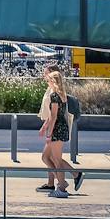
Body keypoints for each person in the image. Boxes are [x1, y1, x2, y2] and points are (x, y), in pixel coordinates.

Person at [38, 65, 82, 199]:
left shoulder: (55, 95)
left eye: (49, 79)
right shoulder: (60, 94)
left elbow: (54, 116)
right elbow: (52, 115)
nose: (47, 81)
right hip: (60, 127)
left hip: (58, 129)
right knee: (47, 157)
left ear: (54, 81)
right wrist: (45, 127)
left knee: (56, 160)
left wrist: (49, 132)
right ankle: (63, 183)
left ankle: (62, 188)